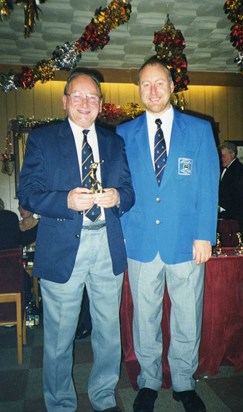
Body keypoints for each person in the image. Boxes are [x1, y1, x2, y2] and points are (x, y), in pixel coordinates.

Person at [17, 68, 135, 412]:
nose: (85, 103)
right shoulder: (42, 139)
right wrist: (64, 200)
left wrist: (118, 197)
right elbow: (28, 192)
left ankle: (102, 395)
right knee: (58, 337)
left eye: (92, 97)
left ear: (100, 104)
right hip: (63, 245)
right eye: (78, 96)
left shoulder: (114, 142)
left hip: (107, 246)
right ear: (65, 100)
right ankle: (60, 404)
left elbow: (129, 192)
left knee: (108, 332)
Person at [116, 57, 219, 412]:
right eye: (145, 84)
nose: (153, 90)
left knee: (187, 314)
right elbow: (120, 187)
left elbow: (208, 186)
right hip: (141, 241)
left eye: (159, 83)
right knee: (144, 317)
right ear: (139, 90)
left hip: (187, 242)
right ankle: (147, 381)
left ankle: (184, 382)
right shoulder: (123, 134)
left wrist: (205, 234)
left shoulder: (199, 130)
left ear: (173, 87)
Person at [218, 141, 243, 233]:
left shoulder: (239, 170)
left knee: (232, 243)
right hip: (226, 214)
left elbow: (236, 193)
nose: (221, 158)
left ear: (232, 154)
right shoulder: (222, 168)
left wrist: (220, 207)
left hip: (234, 214)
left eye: (224, 156)